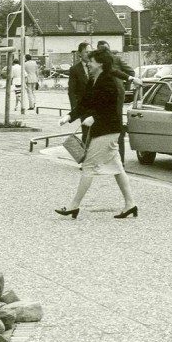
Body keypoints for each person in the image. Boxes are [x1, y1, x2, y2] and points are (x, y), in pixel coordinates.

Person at [56, 47, 138, 219]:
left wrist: (95, 118)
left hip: (107, 130)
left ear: (100, 63)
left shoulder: (108, 81)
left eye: (91, 61)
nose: (89, 64)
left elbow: (110, 108)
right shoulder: (96, 79)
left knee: (88, 167)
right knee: (117, 168)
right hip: (105, 130)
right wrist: (69, 116)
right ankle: (130, 204)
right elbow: (85, 102)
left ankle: (74, 205)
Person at [95, 41, 142, 164]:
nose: (105, 52)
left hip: (116, 98)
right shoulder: (97, 63)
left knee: (117, 127)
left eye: (106, 49)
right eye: (102, 50)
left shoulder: (115, 60)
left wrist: (125, 87)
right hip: (102, 99)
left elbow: (129, 72)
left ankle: (120, 160)